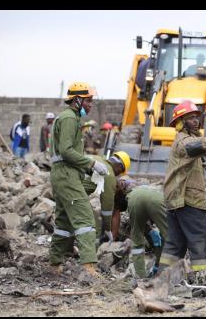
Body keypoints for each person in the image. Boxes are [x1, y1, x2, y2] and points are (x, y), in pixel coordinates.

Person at [159, 100, 206, 273]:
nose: (196, 121)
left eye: (196, 118)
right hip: (187, 199)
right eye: (191, 118)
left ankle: (163, 280)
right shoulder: (182, 141)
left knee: (175, 243)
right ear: (181, 122)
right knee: (200, 238)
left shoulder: (185, 139)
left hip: (176, 199)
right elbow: (195, 147)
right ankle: (202, 280)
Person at [48, 82, 109, 277]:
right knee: (84, 218)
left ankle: (55, 264)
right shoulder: (69, 118)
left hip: (65, 174)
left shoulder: (71, 118)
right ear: (77, 100)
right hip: (66, 174)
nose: (91, 105)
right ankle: (89, 267)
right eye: (88, 100)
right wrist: (91, 164)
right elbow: (66, 151)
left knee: (64, 223)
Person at [112, 178, 168, 278]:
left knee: (137, 241)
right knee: (169, 237)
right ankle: (162, 269)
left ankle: (141, 276)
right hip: (157, 196)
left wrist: (149, 231)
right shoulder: (133, 184)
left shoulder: (128, 195)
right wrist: (151, 230)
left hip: (136, 199)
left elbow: (139, 219)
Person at [81, 151, 130, 244]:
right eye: (120, 173)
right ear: (119, 167)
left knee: (66, 225)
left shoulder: (97, 158)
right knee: (95, 224)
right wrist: (108, 229)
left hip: (62, 184)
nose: (118, 176)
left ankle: (67, 249)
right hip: (74, 196)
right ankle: (93, 253)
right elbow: (107, 209)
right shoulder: (109, 174)